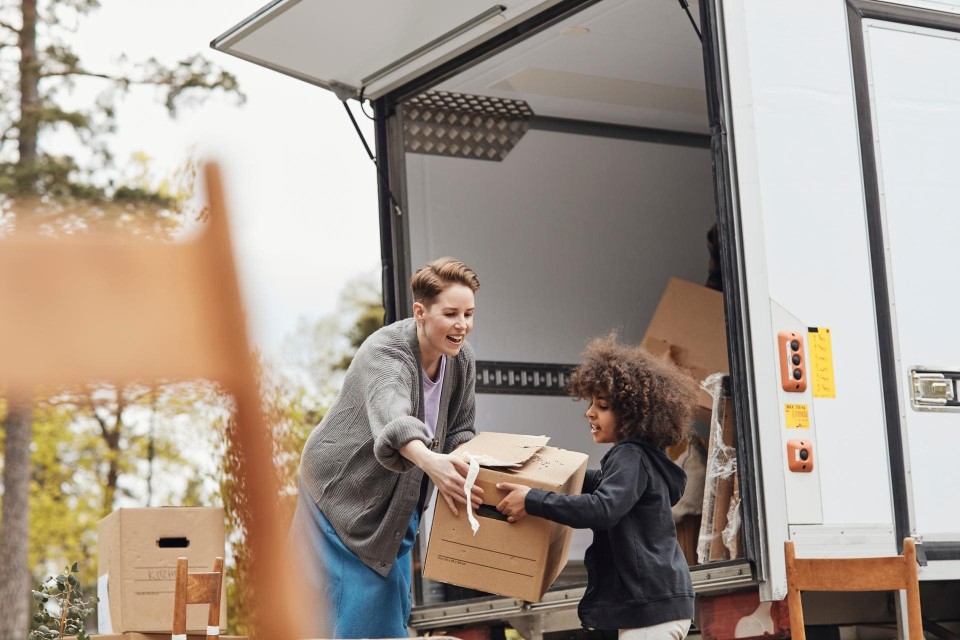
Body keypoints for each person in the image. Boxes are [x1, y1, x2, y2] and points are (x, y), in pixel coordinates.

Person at [289, 257, 484, 639]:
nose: (462, 325)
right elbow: (394, 421)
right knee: (360, 607)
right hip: (341, 493)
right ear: (420, 312)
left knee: (387, 602)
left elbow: (461, 428)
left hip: (398, 495)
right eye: (451, 313)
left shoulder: (461, 360)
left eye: (469, 313)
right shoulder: (386, 352)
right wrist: (432, 462)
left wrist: (475, 469)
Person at [496, 333, 697, 640]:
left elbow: (602, 509)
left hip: (649, 611)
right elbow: (599, 485)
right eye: (591, 403)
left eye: (602, 405)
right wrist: (554, 472)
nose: (589, 412)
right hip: (660, 605)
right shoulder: (644, 459)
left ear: (632, 414)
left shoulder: (629, 455)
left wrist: (532, 500)